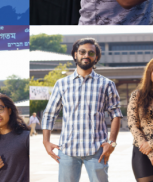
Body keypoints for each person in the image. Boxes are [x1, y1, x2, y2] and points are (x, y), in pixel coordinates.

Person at [42, 38, 122, 182]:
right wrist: (46, 141)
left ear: (96, 57)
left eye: (91, 53)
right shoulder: (61, 84)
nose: (86, 55)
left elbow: (116, 115)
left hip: (97, 150)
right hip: (67, 150)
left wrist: (112, 143)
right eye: (82, 52)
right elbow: (49, 114)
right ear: (75, 55)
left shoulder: (106, 84)